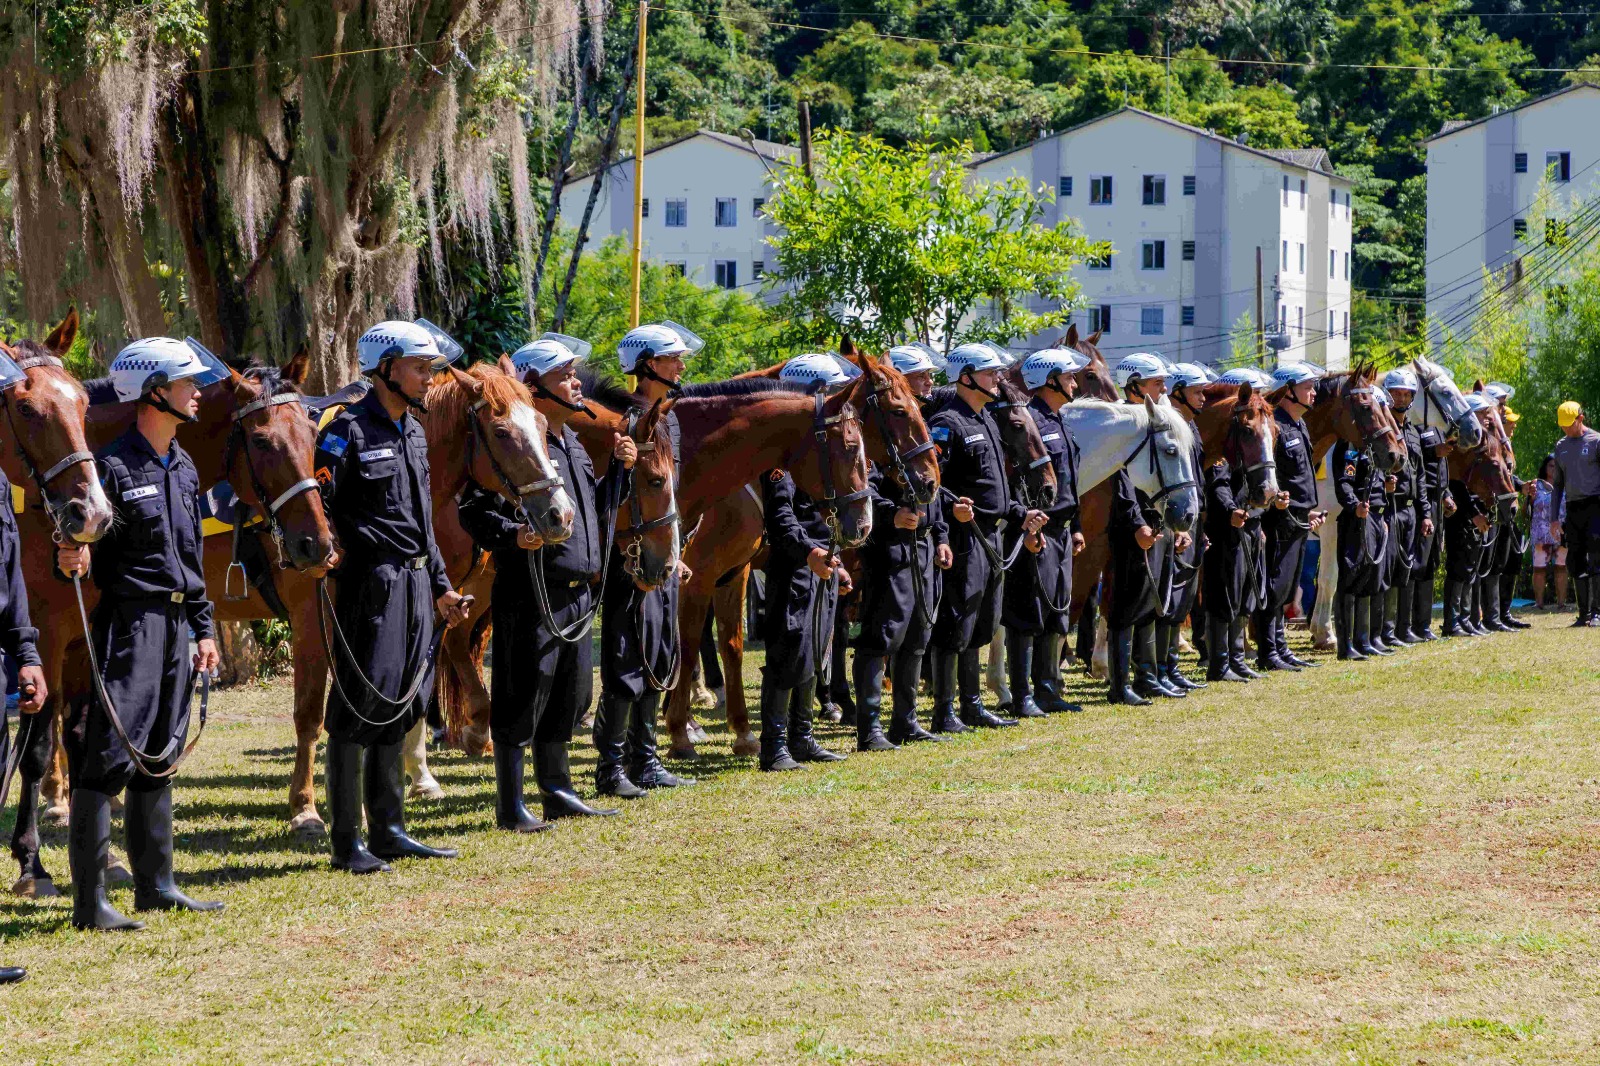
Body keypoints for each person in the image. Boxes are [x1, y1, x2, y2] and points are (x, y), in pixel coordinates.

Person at [56, 337, 226, 928]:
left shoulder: (184, 466)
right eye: (187, 383)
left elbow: (192, 556)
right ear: (155, 391)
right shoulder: (112, 467)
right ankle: (90, 903)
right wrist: (70, 551)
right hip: (129, 626)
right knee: (107, 757)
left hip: (179, 624)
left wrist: (204, 629)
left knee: (161, 753)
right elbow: (80, 542)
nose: (197, 393)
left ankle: (156, 886)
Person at [458, 334, 638, 830]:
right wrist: (512, 535)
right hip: (532, 589)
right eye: (566, 376)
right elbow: (473, 510)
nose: (578, 383)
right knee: (522, 692)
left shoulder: (573, 443)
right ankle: (511, 803)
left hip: (577, 594)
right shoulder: (515, 443)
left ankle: (558, 790)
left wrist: (619, 475)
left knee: (569, 695)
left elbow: (592, 511)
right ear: (534, 386)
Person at [313, 321, 471, 874]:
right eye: (420, 367)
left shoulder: (414, 431)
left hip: (415, 585)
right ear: (385, 369)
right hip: (371, 585)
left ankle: (390, 830)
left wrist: (443, 585)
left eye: (430, 368)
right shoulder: (345, 430)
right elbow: (322, 507)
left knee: (401, 705)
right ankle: (346, 841)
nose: (429, 378)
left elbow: (422, 523)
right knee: (359, 707)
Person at [594, 322, 698, 795]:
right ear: (649, 365)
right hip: (629, 557)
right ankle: (612, 767)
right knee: (625, 657)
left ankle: (646, 759)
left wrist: (675, 550)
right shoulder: (623, 417)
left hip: (661, 554)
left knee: (657, 651)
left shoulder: (667, 416)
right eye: (673, 358)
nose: (680, 365)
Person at [927, 343, 1048, 729]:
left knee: (982, 622)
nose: (997, 377)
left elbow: (995, 490)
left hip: (993, 538)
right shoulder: (947, 422)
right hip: (966, 536)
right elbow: (931, 483)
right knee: (957, 621)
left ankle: (972, 704)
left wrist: (1020, 513)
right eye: (989, 372)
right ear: (965, 377)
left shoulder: (986, 420)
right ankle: (945, 711)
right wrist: (950, 508)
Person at [757, 353, 861, 769]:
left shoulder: (816, 447)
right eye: (829, 391)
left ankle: (803, 737)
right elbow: (781, 520)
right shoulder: (780, 456)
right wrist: (810, 553)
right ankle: (774, 745)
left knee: (815, 650)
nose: (834, 399)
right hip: (794, 565)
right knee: (788, 651)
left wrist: (832, 561)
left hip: (820, 562)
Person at [854, 343, 952, 747]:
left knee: (916, 637)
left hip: (924, 547)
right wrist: (889, 513)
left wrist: (941, 534)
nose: (929, 382)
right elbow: (864, 485)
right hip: (890, 547)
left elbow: (937, 488)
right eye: (922, 376)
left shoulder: (916, 423)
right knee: (882, 635)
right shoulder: (880, 428)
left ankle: (905, 722)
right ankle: (870, 727)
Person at [1002, 348, 1087, 714]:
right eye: (1068, 376)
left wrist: (1078, 526)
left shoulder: (1060, 419)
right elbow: (1019, 479)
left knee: (1056, 614)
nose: (1074, 382)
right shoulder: (1028, 420)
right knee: (1029, 612)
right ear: (1049, 380)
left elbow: (1071, 482)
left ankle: (1047, 687)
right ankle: (1022, 694)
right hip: (1038, 531)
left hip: (1063, 532)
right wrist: (1031, 528)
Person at [1104, 353, 1180, 703]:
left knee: (1150, 602)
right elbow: (1119, 478)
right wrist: (1136, 523)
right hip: (1130, 526)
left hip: (1156, 522)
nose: (1164, 388)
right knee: (1125, 606)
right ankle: (1120, 685)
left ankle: (1147, 676)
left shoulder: (1155, 418)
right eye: (1156, 383)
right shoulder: (1122, 421)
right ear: (1134, 384)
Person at [1203, 367, 1272, 683]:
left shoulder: (1249, 439)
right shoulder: (1223, 443)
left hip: (1247, 524)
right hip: (1226, 526)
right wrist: (1231, 510)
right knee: (1224, 593)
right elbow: (1217, 483)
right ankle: (1219, 662)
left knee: (1244, 593)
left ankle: (1237, 657)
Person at [1254, 362, 1324, 671]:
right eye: (1307, 387)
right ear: (1287, 391)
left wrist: (1310, 509)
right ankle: (1268, 650)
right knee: (1275, 582)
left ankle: (1280, 647)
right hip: (1279, 517)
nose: (1313, 392)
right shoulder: (1276, 425)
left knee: (1288, 584)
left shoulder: (1299, 424)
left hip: (1299, 516)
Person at [1330, 389, 1390, 659]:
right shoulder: (1351, 446)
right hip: (1357, 519)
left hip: (1376, 517)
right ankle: (1347, 646)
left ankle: (1364, 639)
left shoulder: (1373, 445)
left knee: (1370, 579)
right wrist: (1355, 506)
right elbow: (1344, 482)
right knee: (1352, 578)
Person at [1162, 363, 1212, 689]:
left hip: (1192, 522)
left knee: (1185, 594)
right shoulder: (1170, 425)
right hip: (1174, 523)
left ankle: (1172, 666)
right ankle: (1160, 667)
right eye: (1198, 392)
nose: (1204, 398)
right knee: (1171, 593)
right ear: (1178, 391)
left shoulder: (1191, 426)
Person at [1379, 369, 1428, 648]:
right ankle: (1385, 631)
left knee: (1407, 568)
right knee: (1389, 570)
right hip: (1390, 507)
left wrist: (1425, 514)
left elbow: (1420, 476)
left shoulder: (1414, 432)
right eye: (1395, 392)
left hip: (1410, 510)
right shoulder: (1385, 429)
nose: (1400, 397)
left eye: (1405, 393)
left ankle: (1403, 627)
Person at [1442, 394, 1496, 637]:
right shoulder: (1462, 444)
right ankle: (1452, 621)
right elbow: (1457, 484)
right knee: (1458, 566)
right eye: (1483, 413)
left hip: (1474, 511)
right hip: (1460, 511)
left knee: (1470, 567)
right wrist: (1474, 513)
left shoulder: (1480, 442)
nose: (1487, 418)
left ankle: (1465, 619)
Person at [1551, 400, 1600, 626]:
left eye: (1569, 425)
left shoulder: (1596, 441)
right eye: (1562, 426)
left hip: (1595, 505)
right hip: (1573, 508)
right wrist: (1554, 518)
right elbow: (1557, 485)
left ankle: (1598, 612)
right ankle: (1583, 614)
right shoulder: (1560, 446)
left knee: (1596, 558)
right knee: (1575, 559)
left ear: (1580, 418)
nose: (1566, 429)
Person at [1531, 454, 1568, 610]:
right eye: (1551, 466)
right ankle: (1539, 603)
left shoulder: (1567, 484)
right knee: (1539, 568)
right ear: (1545, 468)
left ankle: (1561, 603)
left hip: (1562, 531)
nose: (1554, 469)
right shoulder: (1535, 485)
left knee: (1561, 566)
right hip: (1541, 533)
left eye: (1556, 466)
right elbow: (1528, 509)